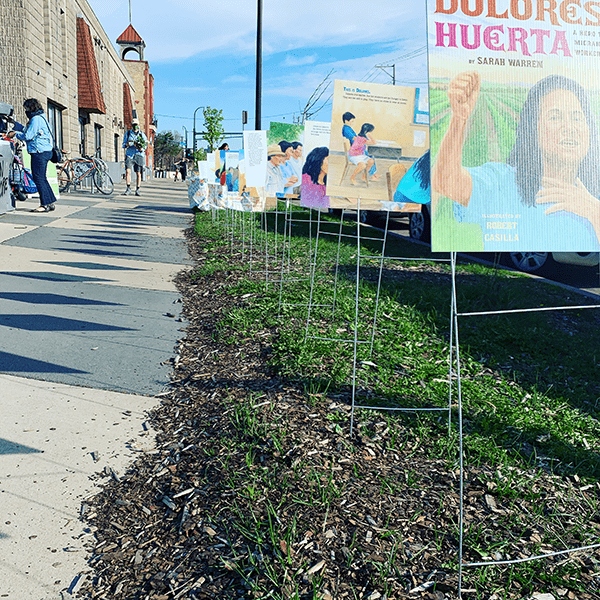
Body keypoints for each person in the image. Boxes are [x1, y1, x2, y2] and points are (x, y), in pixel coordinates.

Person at [432, 72, 600, 250]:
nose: (569, 128)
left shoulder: (594, 198)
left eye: (577, 118)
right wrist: (459, 119)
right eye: (555, 117)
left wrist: (595, 212)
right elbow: (446, 181)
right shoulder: (502, 183)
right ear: (532, 129)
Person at [8, 98, 57, 212]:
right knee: (42, 178)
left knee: (38, 178)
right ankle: (50, 202)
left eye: (26, 109)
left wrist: (15, 134)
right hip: (45, 151)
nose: (25, 111)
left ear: (30, 108)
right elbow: (27, 130)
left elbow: (28, 135)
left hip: (38, 151)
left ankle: (44, 205)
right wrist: (14, 124)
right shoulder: (42, 117)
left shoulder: (35, 119)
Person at [342, 112, 376, 179]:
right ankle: (371, 175)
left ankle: (371, 174)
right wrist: (363, 140)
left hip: (356, 148)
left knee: (371, 156)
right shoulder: (346, 129)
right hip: (355, 150)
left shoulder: (348, 128)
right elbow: (354, 139)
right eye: (351, 121)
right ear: (346, 120)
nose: (352, 123)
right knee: (370, 155)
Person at [122, 118, 147, 196]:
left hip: (139, 155)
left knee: (138, 173)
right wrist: (127, 144)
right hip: (129, 154)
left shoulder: (142, 135)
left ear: (138, 125)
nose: (135, 126)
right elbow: (123, 144)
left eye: (136, 125)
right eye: (133, 125)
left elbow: (145, 145)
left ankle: (138, 189)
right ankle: (128, 188)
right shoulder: (128, 133)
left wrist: (141, 148)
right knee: (127, 171)